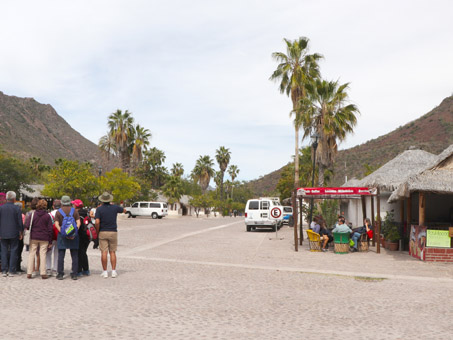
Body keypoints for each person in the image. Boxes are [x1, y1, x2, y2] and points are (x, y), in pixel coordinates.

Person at [95, 192, 126, 278]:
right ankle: (113, 271)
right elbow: (124, 210)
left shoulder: (99, 209)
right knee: (112, 252)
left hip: (103, 231)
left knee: (104, 252)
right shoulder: (115, 207)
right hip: (113, 231)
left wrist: (97, 231)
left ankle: (105, 271)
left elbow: (97, 221)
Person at [25, 199, 53, 279]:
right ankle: (43, 273)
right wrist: (50, 241)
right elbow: (50, 229)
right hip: (44, 237)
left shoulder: (33, 214)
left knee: (31, 254)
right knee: (42, 254)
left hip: (34, 236)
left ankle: (29, 272)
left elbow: (27, 225)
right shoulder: (47, 216)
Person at [54, 195, 80, 280]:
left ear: (62, 202)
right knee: (74, 255)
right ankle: (74, 273)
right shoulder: (74, 211)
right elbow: (78, 223)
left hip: (62, 236)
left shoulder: (58, 212)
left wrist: (62, 231)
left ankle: (60, 273)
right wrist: (73, 231)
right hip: (73, 236)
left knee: (61, 255)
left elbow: (56, 224)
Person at [0, 191, 24, 277]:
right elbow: (19, 221)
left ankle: (4, 270)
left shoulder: (1, 208)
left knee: (4, 251)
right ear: (14, 199)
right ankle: (11, 270)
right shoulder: (16, 208)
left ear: (6, 198)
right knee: (14, 250)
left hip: (2, 232)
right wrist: (21, 232)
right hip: (14, 232)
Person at [73, 199, 90, 276]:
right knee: (83, 253)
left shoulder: (76, 214)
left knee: (79, 253)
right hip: (87, 236)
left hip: (79, 235)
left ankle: (78, 271)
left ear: (76, 206)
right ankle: (86, 270)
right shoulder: (86, 213)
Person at [46, 199, 61, 276]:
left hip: (51, 235)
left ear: (53, 206)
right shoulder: (62, 214)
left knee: (48, 252)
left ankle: (48, 268)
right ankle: (55, 269)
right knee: (57, 252)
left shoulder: (49, 214)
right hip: (59, 235)